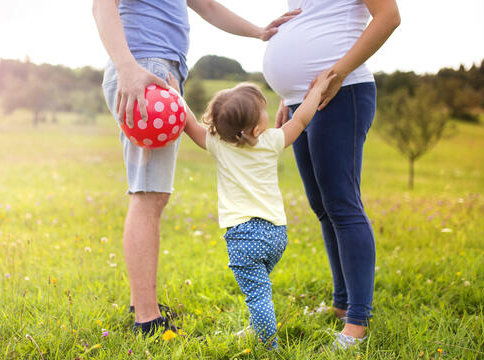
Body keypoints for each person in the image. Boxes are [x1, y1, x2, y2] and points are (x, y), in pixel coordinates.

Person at [92, 0, 300, 336]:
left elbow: (205, 5)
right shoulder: (135, 66)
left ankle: (142, 303)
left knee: (151, 192)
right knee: (148, 193)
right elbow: (102, 6)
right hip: (143, 68)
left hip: (154, 69)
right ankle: (147, 320)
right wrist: (127, 67)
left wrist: (259, 31)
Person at [262, 0, 401, 349]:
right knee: (322, 205)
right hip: (302, 100)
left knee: (342, 203)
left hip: (343, 91)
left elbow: (389, 16)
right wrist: (288, 95)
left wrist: (337, 72)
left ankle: (357, 320)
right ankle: (341, 305)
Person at [176, 70, 335, 348]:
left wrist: (175, 95)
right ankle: (258, 327)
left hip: (244, 236)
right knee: (259, 288)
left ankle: (267, 344)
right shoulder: (271, 142)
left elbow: (189, 125)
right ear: (254, 129)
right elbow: (301, 119)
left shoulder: (218, 144)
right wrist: (318, 89)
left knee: (258, 294)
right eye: (263, 111)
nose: (267, 112)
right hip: (276, 235)